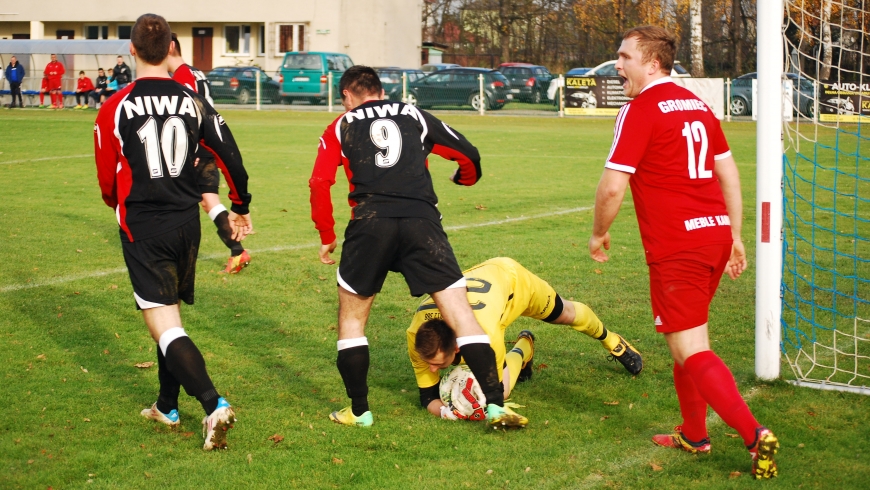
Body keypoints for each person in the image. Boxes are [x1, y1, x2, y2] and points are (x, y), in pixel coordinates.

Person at [587, 26, 778, 479]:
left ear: (652, 64)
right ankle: (695, 434)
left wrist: (598, 233)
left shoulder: (640, 109)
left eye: (624, 57)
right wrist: (735, 234)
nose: (618, 65)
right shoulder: (699, 106)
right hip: (713, 237)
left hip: (680, 246)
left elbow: (613, 186)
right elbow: (728, 174)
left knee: (690, 347)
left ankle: (755, 436)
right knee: (687, 341)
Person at [310, 65, 526, 429]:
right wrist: (464, 178)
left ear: (348, 95)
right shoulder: (412, 113)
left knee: (351, 320)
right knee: (462, 316)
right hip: (420, 223)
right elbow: (468, 153)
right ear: (380, 90)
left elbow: (319, 182)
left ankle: (360, 412)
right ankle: (494, 406)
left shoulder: (340, 126)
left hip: (369, 223)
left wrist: (327, 233)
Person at [93, 13, 252, 451]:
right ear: (170, 50)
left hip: (144, 225)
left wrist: (117, 205)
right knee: (171, 316)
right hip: (186, 224)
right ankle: (166, 405)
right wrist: (239, 205)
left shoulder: (115, 106)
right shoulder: (193, 100)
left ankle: (213, 403)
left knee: (164, 325)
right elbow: (228, 153)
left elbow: (107, 178)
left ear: (131, 50)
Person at [408, 257, 643, 420]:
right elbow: (427, 396)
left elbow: (498, 393)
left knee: (566, 314)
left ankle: (611, 340)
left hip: (514, 281)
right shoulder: (416, 334)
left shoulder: (484, 335)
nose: (431, 368)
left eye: (438, 364)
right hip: (485, 284)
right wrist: (446, 412)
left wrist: (483, 406)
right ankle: (526, 348)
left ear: (458, 347)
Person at [167, 32, 250, 273]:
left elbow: (189, 116)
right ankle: (237, 251)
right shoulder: (195, 71)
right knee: (208, 201)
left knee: (180, 201)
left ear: (170, 47)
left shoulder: (182, 77)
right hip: (207, 144)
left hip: (197, 148)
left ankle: (171, 256)